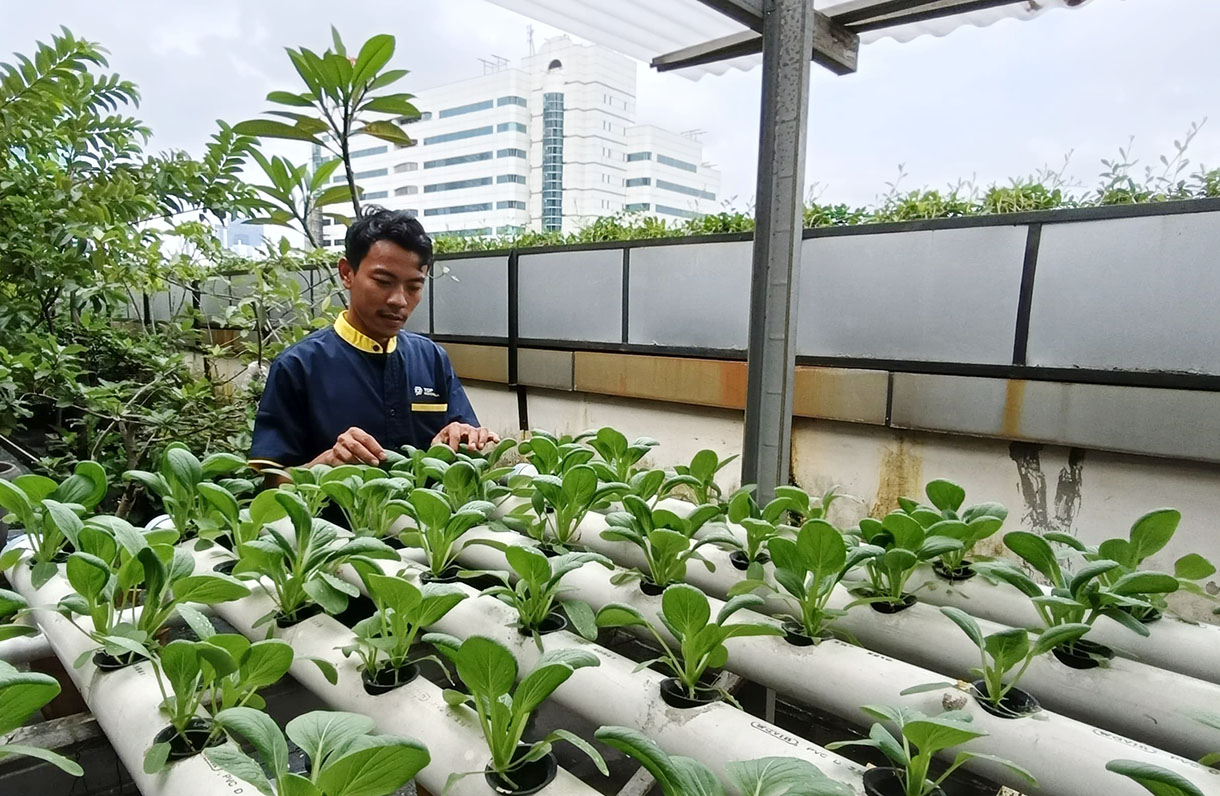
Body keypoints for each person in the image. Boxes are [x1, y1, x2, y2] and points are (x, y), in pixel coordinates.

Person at [248, 208, 499, 478]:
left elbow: (463, 441)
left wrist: (464, 437)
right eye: (383, 282)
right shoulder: (298, 366)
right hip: (339, 520)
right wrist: (325, 464)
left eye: (414, 287)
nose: (399, 300)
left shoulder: (431, 358)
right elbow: (271, 483)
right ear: (347, 273)